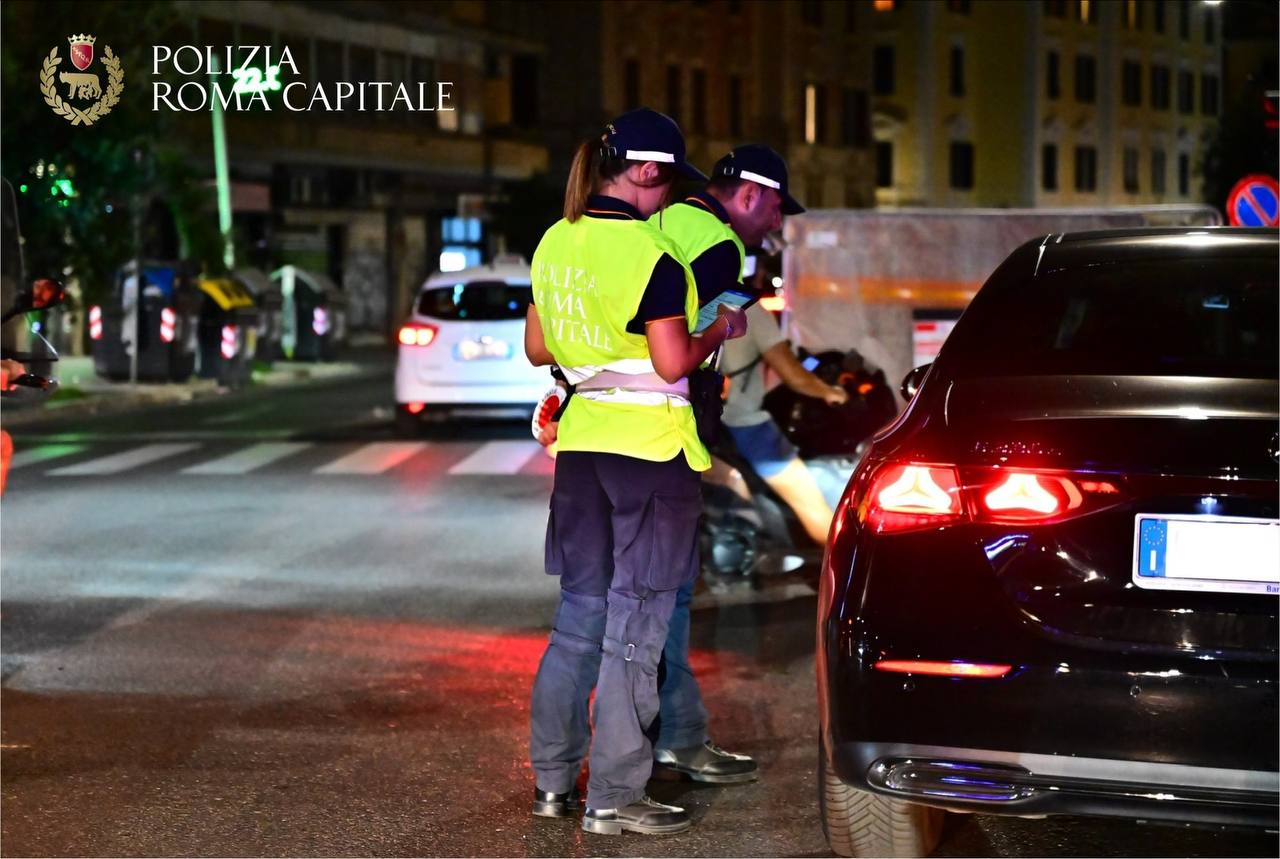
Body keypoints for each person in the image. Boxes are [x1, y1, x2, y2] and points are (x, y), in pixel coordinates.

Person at [523, 108, 748, 837]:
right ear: (646, 172)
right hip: (649, 452)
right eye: (665, 184)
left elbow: (536, 347)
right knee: (637, 624)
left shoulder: (556, 240)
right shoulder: (653, 256)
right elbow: (674, 361)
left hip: (582, 447)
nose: (666, 201)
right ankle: (616, 795)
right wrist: (721, 327)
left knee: (578, 619)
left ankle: (554, 783)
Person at [646, 144, 843, 785]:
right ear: (753, 194)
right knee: (665, 598)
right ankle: (664, 744)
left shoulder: (655, 224)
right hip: (668, 435)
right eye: (778, 209)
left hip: (614, 437)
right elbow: (680, 350)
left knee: (619, 604)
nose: (778, 226)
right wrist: (717, 335)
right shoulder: (720, 246)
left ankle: (639, 746)